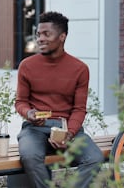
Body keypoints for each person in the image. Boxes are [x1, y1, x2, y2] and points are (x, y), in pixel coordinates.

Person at [15, 11, 104, 188]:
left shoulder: (80, 69)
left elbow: (79, 109)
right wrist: (29, 113)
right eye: (39, 34)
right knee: (30, 156)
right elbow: (20, 102)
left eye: (46, 34)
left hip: (68, 127)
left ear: (62, 36)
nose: (40, 38)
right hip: (35, 128)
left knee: (94, 158)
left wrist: (69, 134)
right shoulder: (27, 66)